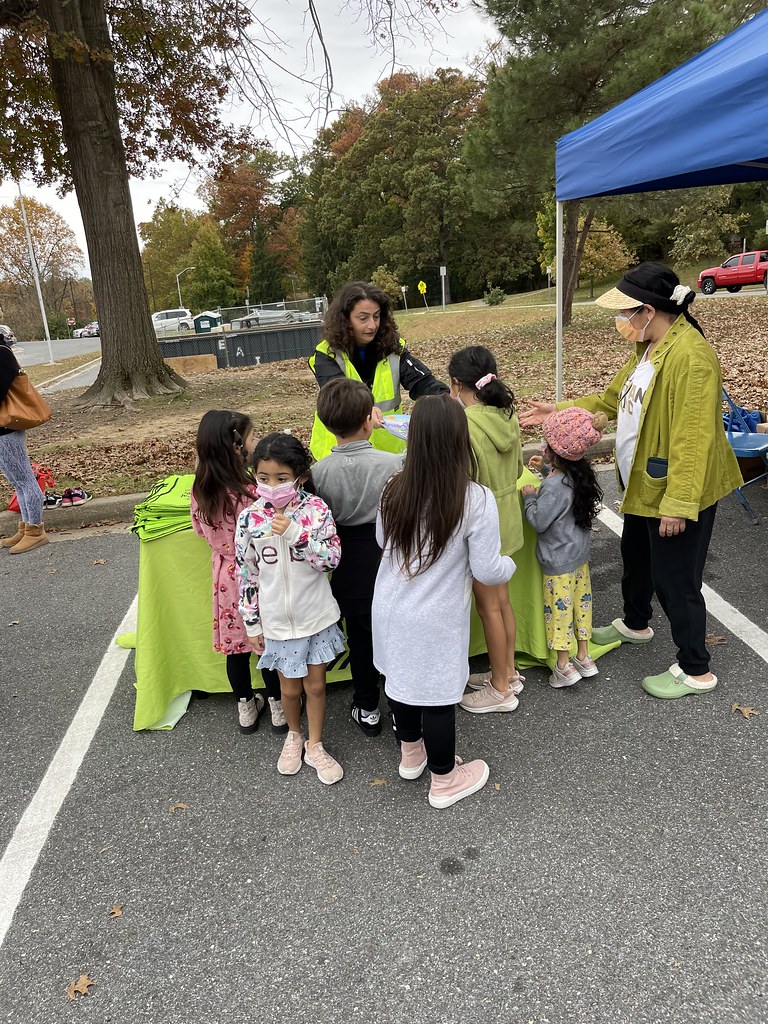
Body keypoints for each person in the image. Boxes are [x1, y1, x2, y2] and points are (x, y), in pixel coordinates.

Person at [521, 262, 742, 700]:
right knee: (636, 556)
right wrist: (558, 409)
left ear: (646, 309)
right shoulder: (648, 347)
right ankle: (636, 623)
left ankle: (696, 667)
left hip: (677, 490)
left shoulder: (691, 357)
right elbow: (608, 399)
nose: (619, 322)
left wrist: (679, 504)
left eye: (624, 313)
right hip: (643, 482)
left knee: (674, 577)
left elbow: (693, 438)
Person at [373, 395, 516, 809]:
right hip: (435, 617)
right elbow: (488, 571)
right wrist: (508, 565)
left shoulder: (392, 487)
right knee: (437, 696)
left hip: (390, 607)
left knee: (400, 682)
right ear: (460, 439)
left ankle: (411, 753)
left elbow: (383, 542)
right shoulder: (475, 498)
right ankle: (445, 779)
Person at [235, 433, 346, 784]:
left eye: (281, 479)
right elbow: (246, 574)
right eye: (263, 478)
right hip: (277, 622)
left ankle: (315, 743)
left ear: (299, 476)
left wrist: (297, 535)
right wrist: (252, 623)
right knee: (289, 689)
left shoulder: (315, 510)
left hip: (315, 617)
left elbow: (331, 559)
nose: (271, 486)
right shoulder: (250, 519)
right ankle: (294, 735)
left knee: (316, 686)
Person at [312, 378, 402, 737]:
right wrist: (390, 425)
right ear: (369, 420)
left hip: (345, 561)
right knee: (392, 637)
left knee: (360, 640)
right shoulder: (393, 463)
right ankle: (400, 707)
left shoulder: (318, 473)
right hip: (387, 557)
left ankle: (366, 706)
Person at [190, 410, 286, 734]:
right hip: (256, 574)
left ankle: (246, 706)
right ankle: (277, 707)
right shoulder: (251, 491)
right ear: (236, 446)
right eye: (250, 436)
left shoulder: (200, 490)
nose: (254, 441)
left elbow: (201, 532)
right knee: (265, 641)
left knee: (236, 648)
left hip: (224, 577)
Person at [447, 345, 525, 715]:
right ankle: (507, 672)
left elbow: (464, 479)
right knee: (502, 602)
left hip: (482, 522)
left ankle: (498, 689)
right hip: (508, 515)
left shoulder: (464, 423)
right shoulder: (506, 413)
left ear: (456, 384)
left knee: (487, 607)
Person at [308, 281, 448, 460]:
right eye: (363, 318)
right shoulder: (326, 354)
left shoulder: (393, 349)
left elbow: (422, 382)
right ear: (345, 319)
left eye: (376, 316)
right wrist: (365, 410)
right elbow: (340, 394)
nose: (372, 325)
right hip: (339, 456)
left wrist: (444, 398)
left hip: (387, 456)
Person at [521, 408, 607, 688]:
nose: (544, 448)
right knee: (581, 606)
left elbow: (539, 522)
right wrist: (547, 471)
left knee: (559, 613)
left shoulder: (553, 487)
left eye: (547, 444)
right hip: (579, 558)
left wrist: (530, 498)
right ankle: (584, 656)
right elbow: (563, 492)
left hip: (557, 562)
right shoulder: (580, 475)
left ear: (556, 452)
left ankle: (562, 665)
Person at [0, 338, 48, 554]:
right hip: (2, 429)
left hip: (7, 427)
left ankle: (36, 531)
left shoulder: (2, 352)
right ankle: (26, 526)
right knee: (17, 482)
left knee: (24, 479)